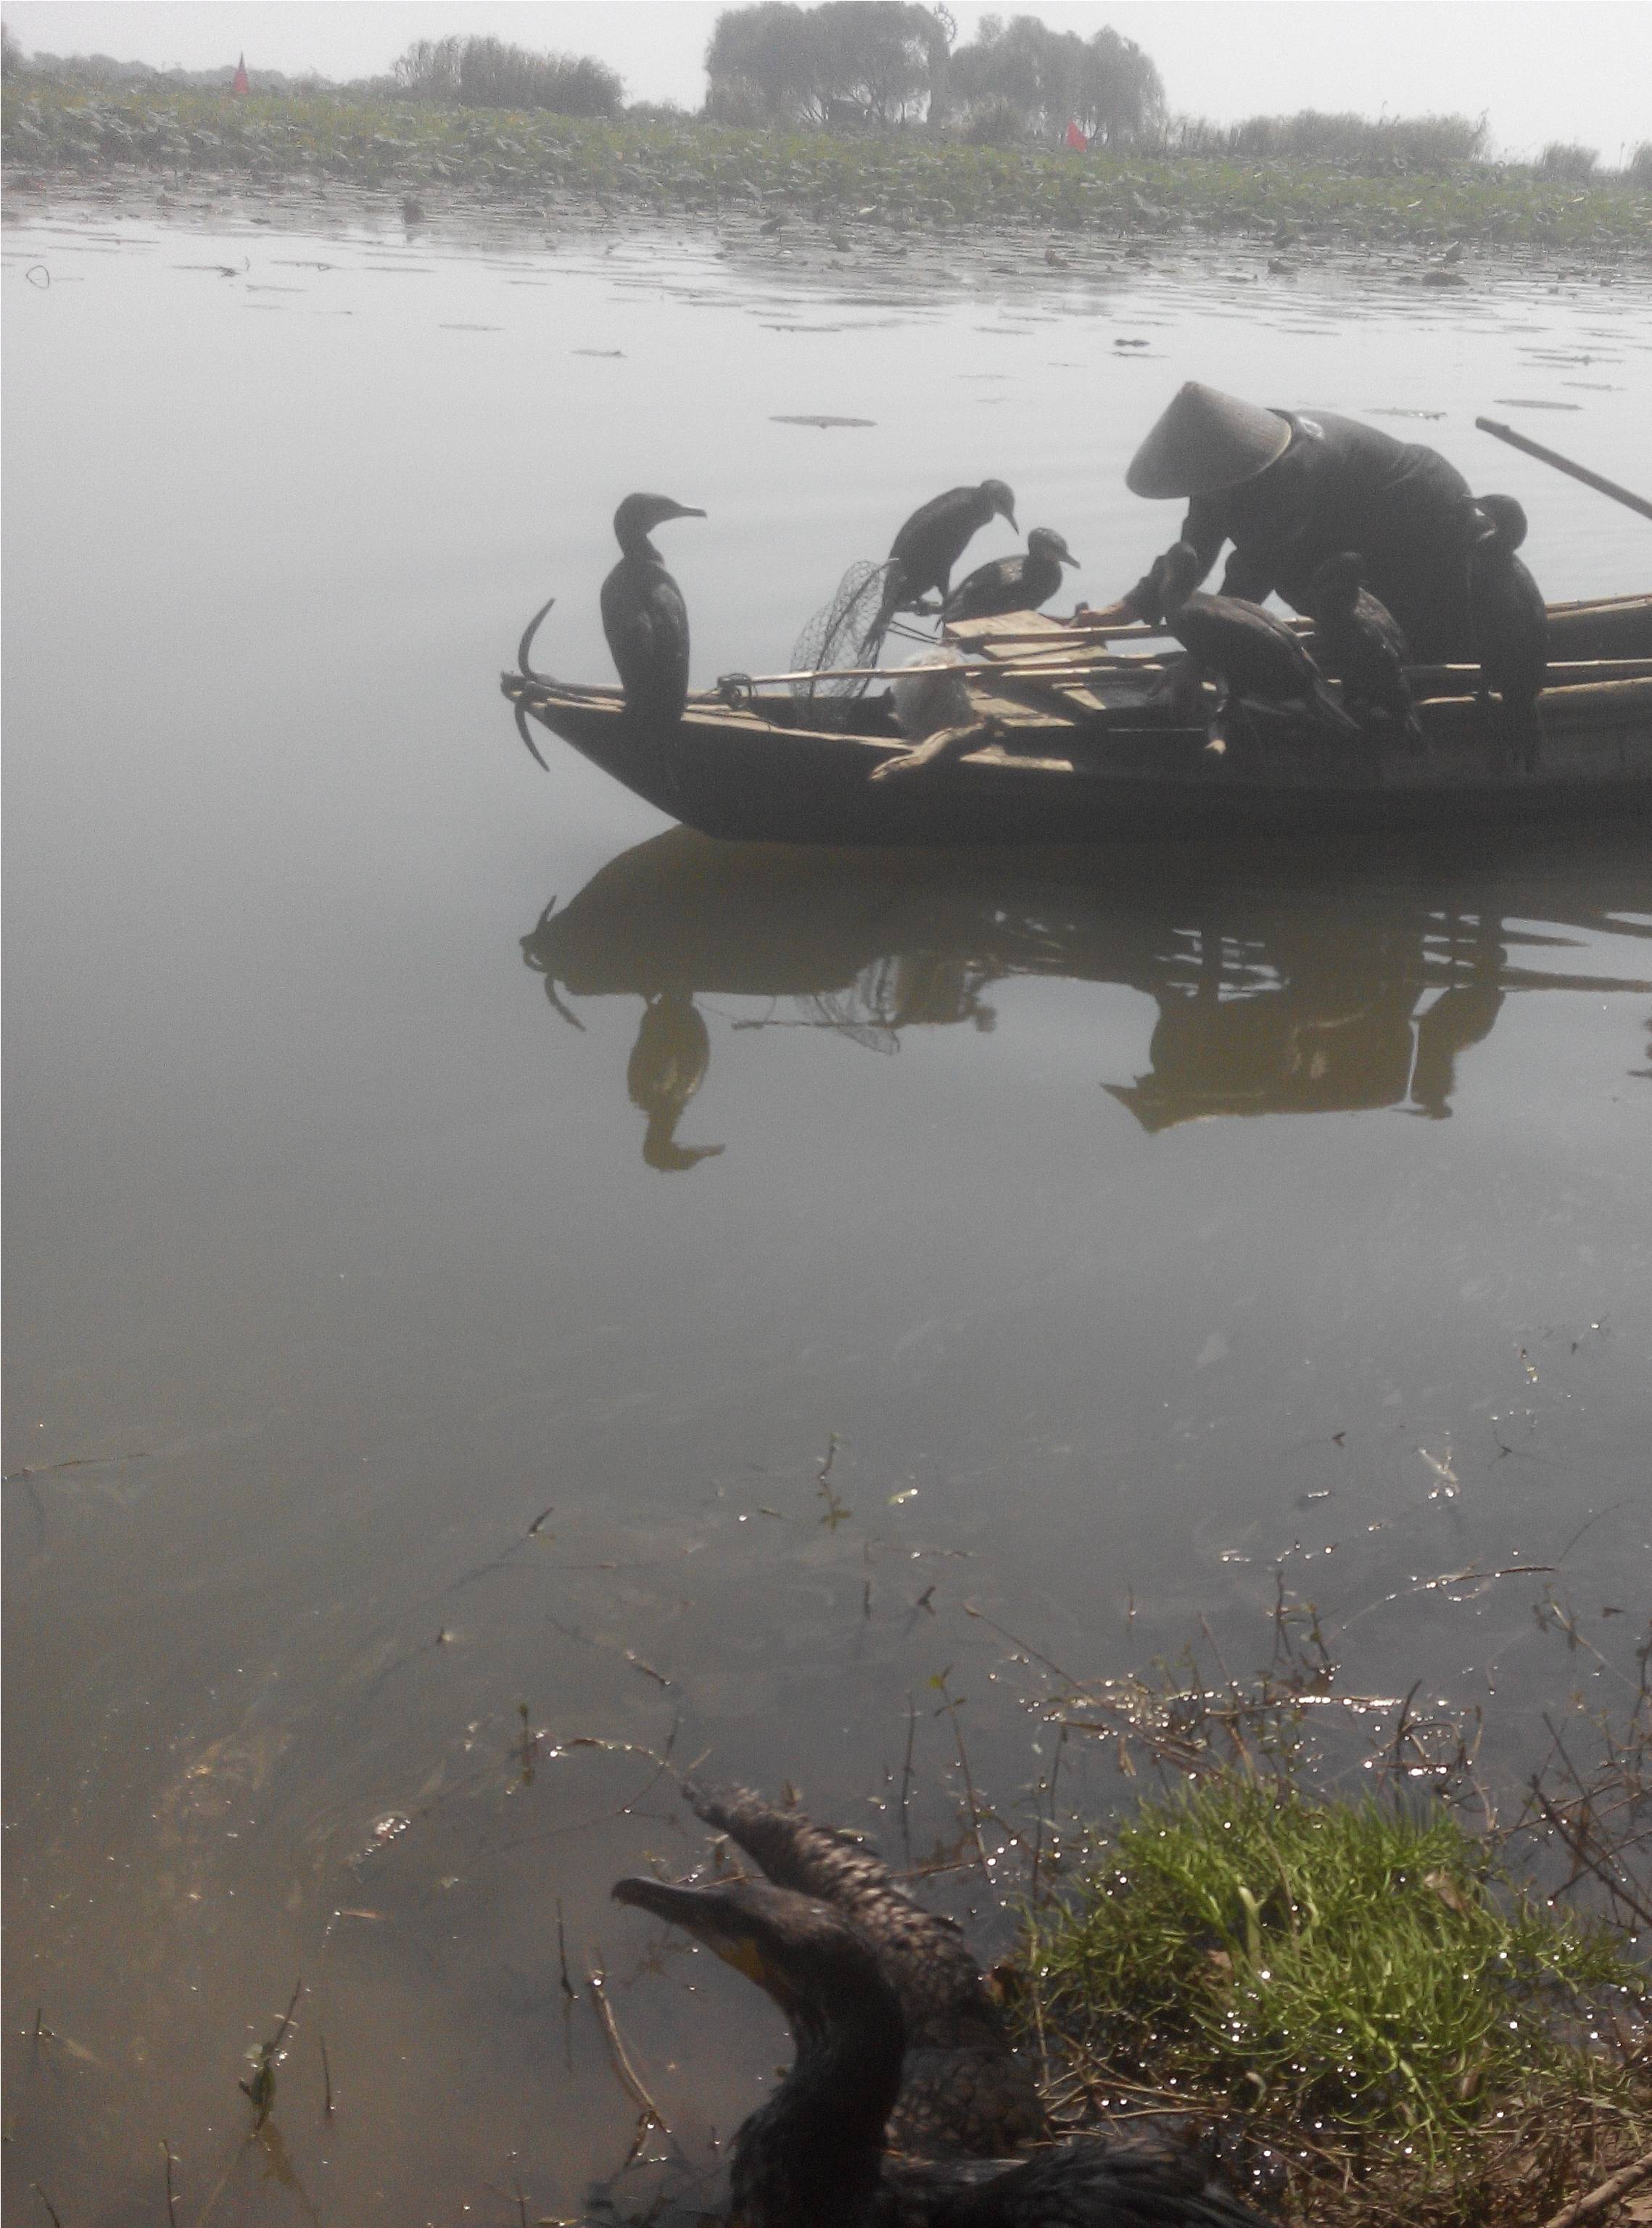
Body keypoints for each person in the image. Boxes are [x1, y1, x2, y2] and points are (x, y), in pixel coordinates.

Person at [1115, 383, 1483, 660]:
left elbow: (1252, 576)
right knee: (1321, 595)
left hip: (1426, 510)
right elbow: (1194, 548)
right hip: (1353, 517)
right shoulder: (1218, 468)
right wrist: (1129, 606)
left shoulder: (1294, 470)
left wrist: (1204, 659)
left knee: (1425, 642)